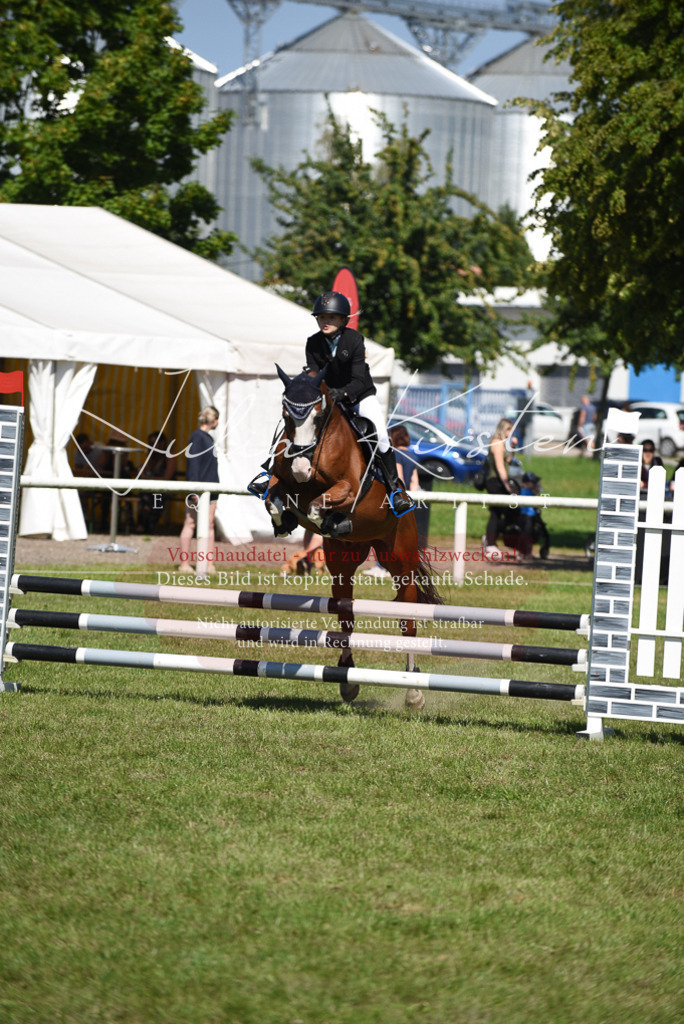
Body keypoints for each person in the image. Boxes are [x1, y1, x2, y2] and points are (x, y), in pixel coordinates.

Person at [248, 291, 414, 516]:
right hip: (327, 398)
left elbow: (357, 379)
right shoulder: (313, 343)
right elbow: (314, 375)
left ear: (344, 320)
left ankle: (396, 492)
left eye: (331, 317)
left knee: (380, 433)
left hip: (358, 396)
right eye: (321, 317)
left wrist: (340, 394)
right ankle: (267, 473)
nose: (325, 321)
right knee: (291, 421)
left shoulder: (354, 340)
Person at [179, 406, 220, 570]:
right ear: (214, 420)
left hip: (211, 488)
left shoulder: (207, 438)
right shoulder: (197, 437)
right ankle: (184, 564)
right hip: (198, 488)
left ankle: (208, 563)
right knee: (190, 523)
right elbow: (193, 465)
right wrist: (194, 491)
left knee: (209, 524)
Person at [483, 417, 516, 558]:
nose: (511, 433)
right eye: (510, 430)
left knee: (503, 512)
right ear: (505, 429)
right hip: (495, 481)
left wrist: (513, 448)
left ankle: (490, 540)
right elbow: (500, 467)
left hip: (498, 481)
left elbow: (507, 461)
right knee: (497, 512)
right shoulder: (497, 443)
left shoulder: (502, 443)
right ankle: (490, 542)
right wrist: (508, 486)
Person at [137, 431, 178, 533]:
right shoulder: (152, 456)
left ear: (162, 443)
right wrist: (142, 469)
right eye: (150, 444)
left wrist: (148, 478)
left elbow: (166, 478)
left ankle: (147, 523)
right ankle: (146, 522)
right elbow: (146, 470)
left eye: (154, 444)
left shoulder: (170, 457)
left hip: (165, 488)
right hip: (151, 489)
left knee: (153, 495)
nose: (152, 447)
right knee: (146, 494)